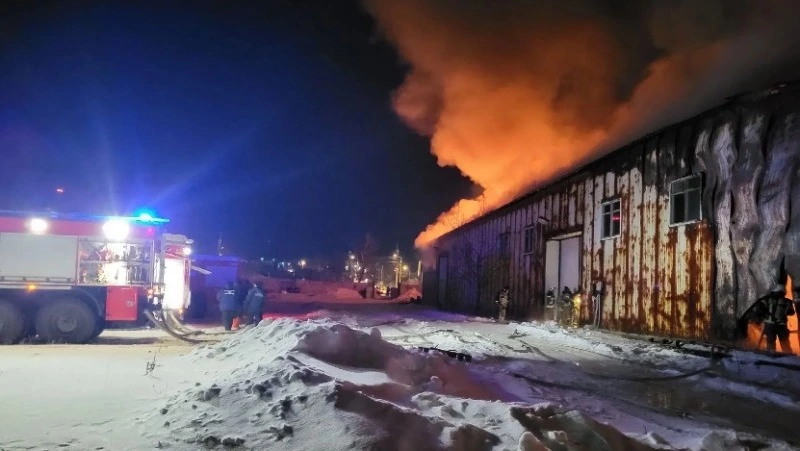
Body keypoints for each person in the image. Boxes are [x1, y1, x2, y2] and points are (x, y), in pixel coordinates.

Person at [753, 286, 796, 352]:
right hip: (782, 326)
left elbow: (759, 309)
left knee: (770, 343)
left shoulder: (768, 299)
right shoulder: (787, 301)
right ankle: (788, 356)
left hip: (769, 325)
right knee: (785, 343)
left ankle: (771, 355)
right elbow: (792, 312)